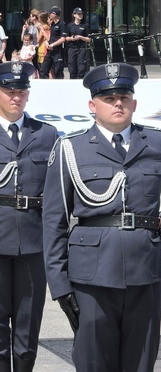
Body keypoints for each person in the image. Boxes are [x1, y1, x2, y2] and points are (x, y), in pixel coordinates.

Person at [42, 63, 161, 372]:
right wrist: (59, 286)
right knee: (93, 361)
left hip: (145, 270)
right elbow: (54, 221)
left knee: (140, 361)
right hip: (91, 276)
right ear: (92, 105)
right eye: (109, 98)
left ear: (134, 103)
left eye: (124, 97)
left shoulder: (156, 143)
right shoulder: (70, 149)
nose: (118, 103)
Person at [0, 62, 57, 372]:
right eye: (9, 91)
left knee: (28, 324)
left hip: (34, 244)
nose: (16, 98)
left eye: (22, 92)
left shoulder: (45, 134)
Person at [39, 6, 66, 79]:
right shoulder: (52, 24)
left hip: (57, 51)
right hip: (50, 51)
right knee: (43, 70)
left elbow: (63, 39)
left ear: (55, 14)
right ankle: (45, 86)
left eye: (51, 13)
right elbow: (51, 37)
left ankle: (59, 87)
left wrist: (53, 44)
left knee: (58, 70)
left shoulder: (62, 24)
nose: (50, 15)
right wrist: (47, 42)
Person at [65, 7, 91, 79]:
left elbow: (89, 39)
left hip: (81, 48)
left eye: (81, 14)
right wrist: (71, 38)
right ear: (74, 15)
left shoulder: (85, 26)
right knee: (72, 67)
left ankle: (80, 80)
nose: (80, 15)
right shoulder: (70, 25)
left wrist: (80, 37)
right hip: (72, 48)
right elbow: (66, 38)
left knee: (81, 67)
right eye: (79, 14)